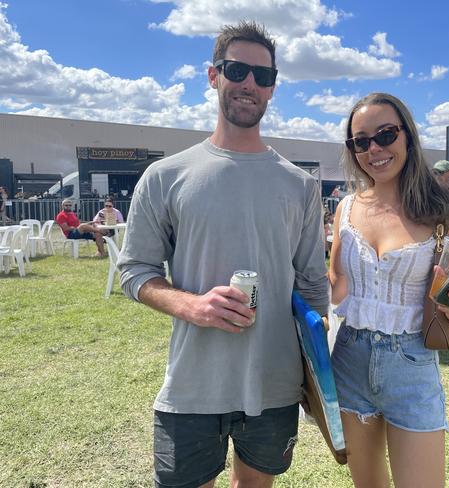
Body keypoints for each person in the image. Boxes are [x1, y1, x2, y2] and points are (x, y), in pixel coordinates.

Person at [117, 21, 329, 488]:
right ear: (214, 76)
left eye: (263, 76)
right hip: (193, 384)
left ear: (273, 89)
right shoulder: (165, 176)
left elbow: (313, 284)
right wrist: (191, 305)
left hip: (274, 386)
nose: (250, 83)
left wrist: (320, 372)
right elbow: (134, 270)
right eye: (237, 69)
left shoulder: (300, 186)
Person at [328, 92, 449, 488]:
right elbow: (335, 284)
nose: (374, 149)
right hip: (348, 358)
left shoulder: (444, 210)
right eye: (360, 141)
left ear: (407, 137)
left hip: (412, 363)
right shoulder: (345, 209)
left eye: (385, 134)